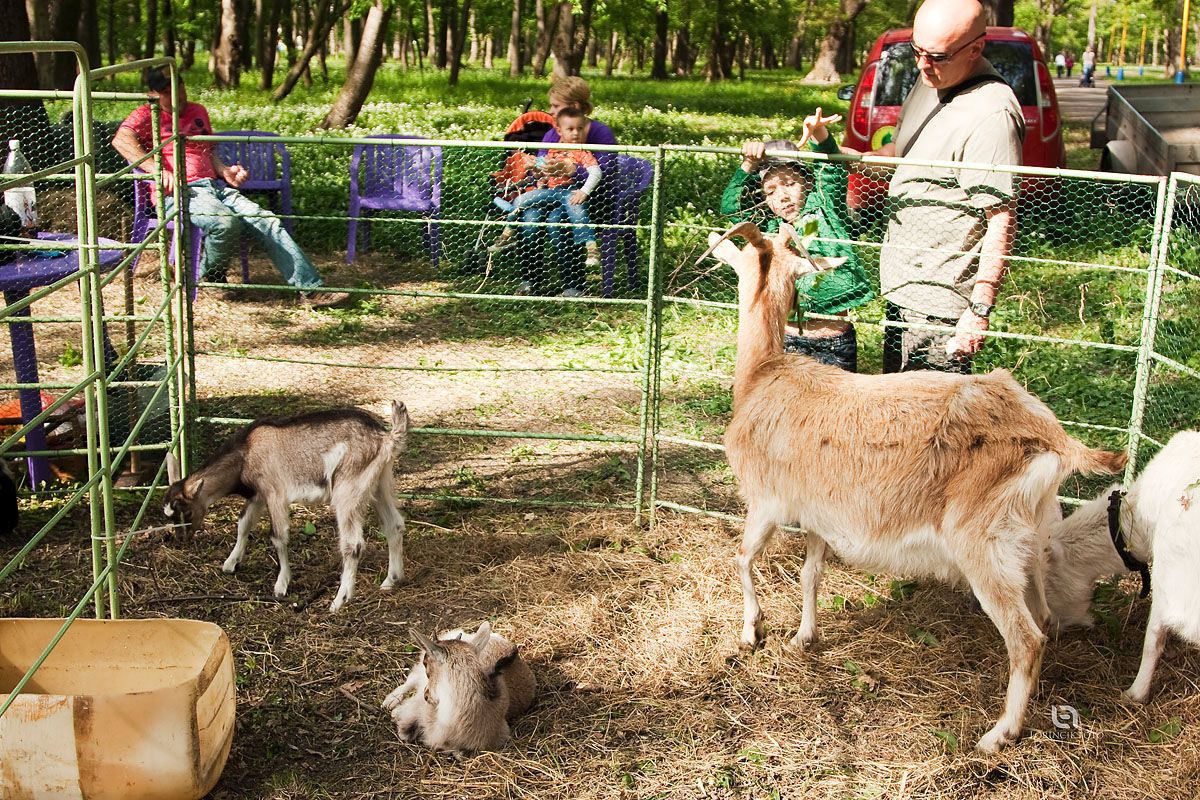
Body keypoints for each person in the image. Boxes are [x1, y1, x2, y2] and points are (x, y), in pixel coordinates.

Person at [850, 0, 1023, 373]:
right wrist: (845, 156)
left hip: (939, 305)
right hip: (903, 289)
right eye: (916, 51)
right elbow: (904, 155)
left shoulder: (992, 114)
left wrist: (979, 309)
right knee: (897, 401)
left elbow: (1001, 218)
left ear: (975, 48)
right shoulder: (931, 78)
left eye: (937, 56)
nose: (922, 64)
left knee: (935, 410)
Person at [112, 67, 345, 305]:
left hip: (214, 186)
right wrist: (157, 170)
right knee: (224, 222)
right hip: (180, 191)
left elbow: (207, 150)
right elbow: (120, 140)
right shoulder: (146, 114)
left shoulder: (197, 111)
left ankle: (311, 289)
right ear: (152, 94)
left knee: (267, 220)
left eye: (178, 87)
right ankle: (212, 278)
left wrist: (224, 170)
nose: (175, 95)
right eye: (166, 92)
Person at [720, 109, 874, 372]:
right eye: (770, 191)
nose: (782, 196)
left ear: (808, 183)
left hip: (833, 341)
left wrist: (819, 134)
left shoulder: (825, 208)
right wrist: (748, 164)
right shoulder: (769, 228)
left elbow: (831, 170)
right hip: (788, 338)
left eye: (790, 184)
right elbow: (731, 207)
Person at [515, 76, 618, 297]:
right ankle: (529, 280)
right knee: (530, 217)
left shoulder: (600, 133)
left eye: (555, 106)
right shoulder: (553, 132)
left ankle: (573, 285)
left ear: (575, 106)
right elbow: (541, 168)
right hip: (553, 193)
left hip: (590, 199)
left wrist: (573, 171)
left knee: (557, 220)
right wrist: (537, 169)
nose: (550, 111)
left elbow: (607, 173)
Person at [488, 106, 602, 271]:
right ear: (559, 131)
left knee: (577, 208)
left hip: (569, 190)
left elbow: (596, 172)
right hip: (550, 191)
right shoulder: (552, 150)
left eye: (580, 129)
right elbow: (541, 173)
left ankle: (591, 249)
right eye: (570, 129)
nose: (576, 133)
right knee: (520, 200)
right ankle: (506, 236)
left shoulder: (581, 152)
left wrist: (584, 191)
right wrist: (534, 168)